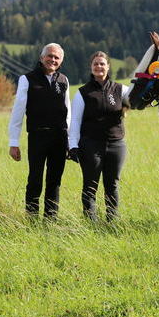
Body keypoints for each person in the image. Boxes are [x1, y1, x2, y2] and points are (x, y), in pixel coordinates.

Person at [8, 43, 70, 219]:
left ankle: (51, 220)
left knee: (54, 181)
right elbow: (18, 112)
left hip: (59, 138)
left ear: (61, 61)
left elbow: (68, 114)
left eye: (56, 57)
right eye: (49, 56)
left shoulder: (63, 80)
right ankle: (31, 218)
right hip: (37, 137)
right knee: (35, 179)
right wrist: (14, 142)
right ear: (42, 58)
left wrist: (70, 141)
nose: (52, 59)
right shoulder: (27, 79)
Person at [68, 51, 129, 221]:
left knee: (112, 185)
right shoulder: (82, 93)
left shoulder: (120, 89)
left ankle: (113, 221)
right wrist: (72, 145)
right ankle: (91, 222)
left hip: (116, 145)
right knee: (90, 185)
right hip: (91, 145)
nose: (99, 66)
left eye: (102, 63)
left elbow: (137, 99)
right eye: (96, 63)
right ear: (91, 67)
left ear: (108, 67)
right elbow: (75, 121)